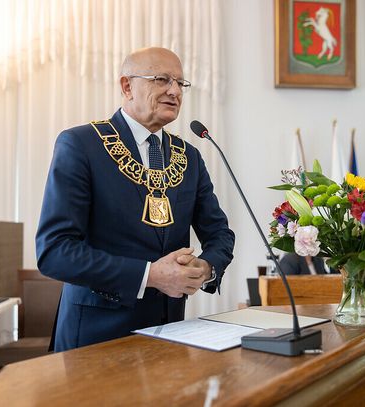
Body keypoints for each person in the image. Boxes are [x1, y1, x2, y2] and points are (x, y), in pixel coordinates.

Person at [36, 47, 235, 352]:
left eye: (180, 84)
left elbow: (220, 234)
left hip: (169, 334)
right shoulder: (81, 145)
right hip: (95, 337)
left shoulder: (190, 157)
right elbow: (55, 251)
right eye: (161, 79)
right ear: (127, 86)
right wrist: (150, 275)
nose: (174, 91)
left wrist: (205, 268)